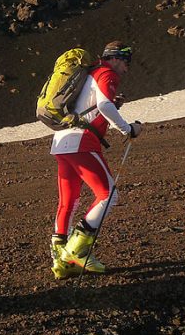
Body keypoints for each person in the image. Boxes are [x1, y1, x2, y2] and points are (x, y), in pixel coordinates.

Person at [49, 42, 142, 280]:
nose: (127, 68)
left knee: (68, 199)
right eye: (126, 62)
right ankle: (75, 251)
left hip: (61, 141)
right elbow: (103, 104)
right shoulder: (107, 73)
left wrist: (112, 105)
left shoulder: (90, 74)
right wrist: (127, 129)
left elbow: (92, 105)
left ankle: (60, 256)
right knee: (108, 194)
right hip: (82, 142)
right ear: (116, 59)